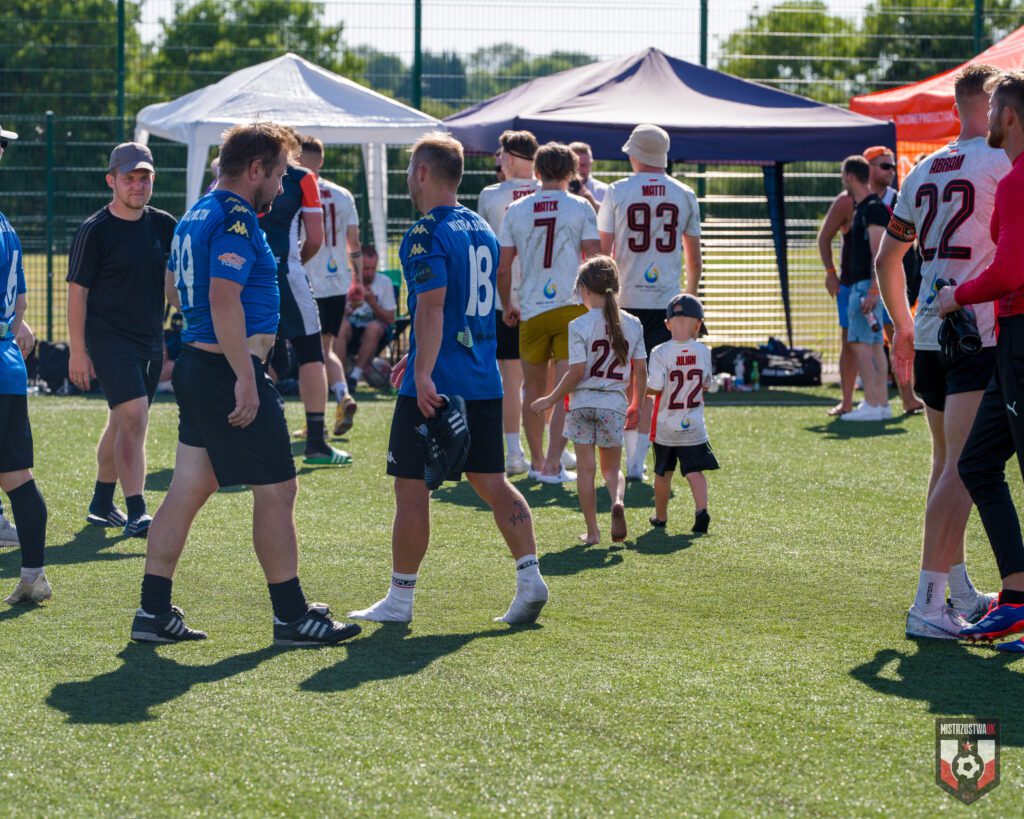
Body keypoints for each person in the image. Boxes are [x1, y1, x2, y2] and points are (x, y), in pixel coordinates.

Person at [131, 122, 361, 646]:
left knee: (188, 488)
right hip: (225, 372)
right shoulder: (235, 216)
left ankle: (152, 611)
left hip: (199, 364)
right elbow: (222, 298)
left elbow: (175, 287)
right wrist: (245, 373)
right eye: (278, 175)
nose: (281, 187)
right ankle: (291, 616)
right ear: (255, 169)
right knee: (278, 489)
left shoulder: (197, 211)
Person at [349, 132, 547, 625]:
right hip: (483, 380)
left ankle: (400, 600)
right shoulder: (481, 226)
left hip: (437, 386)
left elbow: (434, 306)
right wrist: (418, 354)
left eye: (409, 169)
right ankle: (530, 577)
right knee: (493, 481)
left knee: (411, 487)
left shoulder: (425, 232)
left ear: (421, 172)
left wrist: (422, 370)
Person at [877, 64, 1007, 639]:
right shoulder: (1002, 162)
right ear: (995, 104)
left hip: (931, 329)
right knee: (963, 467)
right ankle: (928, 603)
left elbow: (887, 259)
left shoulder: (923, 168)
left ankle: (957, 590)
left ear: (957, 106)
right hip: (976, 329)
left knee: (945, 462)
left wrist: (903, 326)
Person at [936, 71, 1024, 649]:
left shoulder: (1017, 179)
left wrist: (957, 296)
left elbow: (1011, 271)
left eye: (993, 107)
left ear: (1009, 117)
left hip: (1019, 335)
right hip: (1009, 343)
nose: (987, 116)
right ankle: (1016, 599)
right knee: (977, 463)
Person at [65, 142, 177, 538]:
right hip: (108, 340)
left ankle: (100, 504)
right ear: (111, 180)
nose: (137, 185)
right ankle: (137, 511)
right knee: (134, 417)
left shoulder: (164, 224)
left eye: (145, 178)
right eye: (129, 178)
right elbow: (77, 293)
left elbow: (175, 283)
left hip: (150, 340)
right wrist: (78, 352)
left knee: (122, 420)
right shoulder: (95, 230)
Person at [597, 123, 703, 480]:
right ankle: (636, 463)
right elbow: (694, 259)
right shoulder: (684, 193)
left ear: (636, 154)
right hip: (666, 302)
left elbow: (604, 253)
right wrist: (691, 302)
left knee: (620, 381)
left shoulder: (617, 190)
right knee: (649, 386)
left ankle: (624, 459)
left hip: (624, 299)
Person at [497, 141, 601, 484]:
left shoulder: (517, 209)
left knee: (533, 390)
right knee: (565, 390)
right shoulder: (580, 206)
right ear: (572, 172)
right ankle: (553, 464)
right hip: (570, 308)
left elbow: (503, 267)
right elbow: (595, 259)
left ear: (537, 171)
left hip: (531, 310)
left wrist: (507, 304)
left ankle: (536, 461)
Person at [530, 256, 646, 545]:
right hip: (613, 405)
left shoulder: (578, 324)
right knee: (612, 470)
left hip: (582, 404)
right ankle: (617, 501)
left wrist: (551, 398)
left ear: (584, 289)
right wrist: (636, 404)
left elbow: (576, 371)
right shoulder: (633, 324)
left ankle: (593, 532)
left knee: (585, 470)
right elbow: (641, 371)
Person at [259, 131, 350, 465]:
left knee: (258, 356)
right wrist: (293, 261)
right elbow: (314, 238)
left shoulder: (243, 172)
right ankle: (316, 442)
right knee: (312, 352)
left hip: (244, 275)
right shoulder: (302, 178)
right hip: (285, 271)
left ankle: (246, 434)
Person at [0, 123, 51, 605]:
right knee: (17, 476)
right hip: (7, 365)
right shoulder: (6, 225)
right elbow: (20, 307)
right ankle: (34, 575)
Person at [477, 130, 540, 475]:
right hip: (546, 299)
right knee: (545, 379)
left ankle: (515, 451)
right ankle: (548, 451)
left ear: (512, 158)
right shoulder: (551, 192)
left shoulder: (491, 195)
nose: (498, 161)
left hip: (506, 299)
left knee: (511, 380)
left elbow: (485, 249)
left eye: (501, 155)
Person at [296, 135, 361, 436]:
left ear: (297, 158)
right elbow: (354, 242)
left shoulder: (296, 189)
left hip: (306, 280)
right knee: (326, 349)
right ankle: (342, 395)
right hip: (337, 283)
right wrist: (358, 280)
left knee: (309, 355)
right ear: (321, 160)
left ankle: (316, 422)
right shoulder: (343, 194)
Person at [646, 294, 718, 533]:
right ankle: (701, 510)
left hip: (666, 426)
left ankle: (661, 516)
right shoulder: (703, 351)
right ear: (698, 324)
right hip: (694, 426)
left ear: (667, 324)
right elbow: (706, 384)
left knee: (662, 473)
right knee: (694, 471)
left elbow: (655, 387)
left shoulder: (659, 352)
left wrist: (639, 388)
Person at [835, 156, 891, 421]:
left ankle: (872, 402)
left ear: (849, 177)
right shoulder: (866, 208)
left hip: (865, 287)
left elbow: (879, 253)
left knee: (860, 344)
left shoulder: (871, 208)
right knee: (875, 344)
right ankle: (881, 404)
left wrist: (873, 290)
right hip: (866, 287)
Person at [340, 244, 396, 384]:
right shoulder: (344, 279)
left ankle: (354, 377)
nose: (370, 273)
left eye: (373, 268)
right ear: (357, 266)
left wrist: (372, 303)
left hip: (374, 335)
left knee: (374, 327)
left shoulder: (384, 282)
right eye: (366, 268)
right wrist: (350, 307)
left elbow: (390, 318)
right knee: (341, 325)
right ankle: (337, 376)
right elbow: (333, 316)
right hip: (349, 330)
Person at [569, 142, 608, 206]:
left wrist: (591, 202)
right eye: (575, 165)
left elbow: (611, 212)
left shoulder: (604, 190)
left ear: (591, 164)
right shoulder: (557, 190)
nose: (579, 170)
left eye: (583, 165)